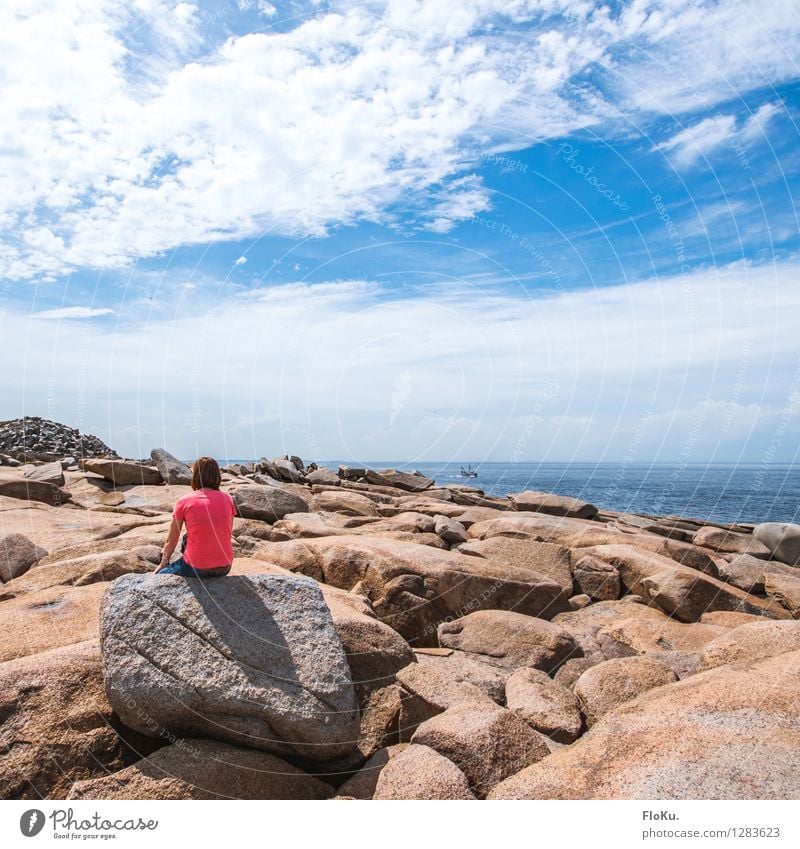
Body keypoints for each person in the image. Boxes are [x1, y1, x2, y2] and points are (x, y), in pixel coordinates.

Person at [156, 456, 236, 578]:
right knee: (186, 537)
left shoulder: (184, 501)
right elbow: (227, 532)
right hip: (225, 566)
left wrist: (163, 563)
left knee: (161, 576)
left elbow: (171, 541)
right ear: (217, 476)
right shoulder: (228, 499)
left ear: (196, 476)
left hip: (197, 568)